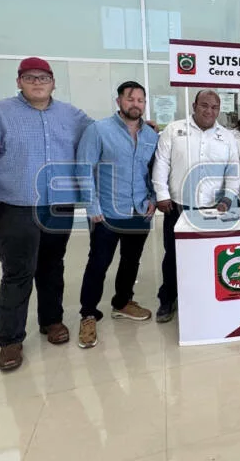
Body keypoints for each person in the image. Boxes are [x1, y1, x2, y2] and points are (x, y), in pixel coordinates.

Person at [0, 57, 92, 371]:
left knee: (52, 266)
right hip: (15, 206)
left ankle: (51, 321)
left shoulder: (71, 115)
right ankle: (10, 340)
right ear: (19, 81)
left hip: (58, 205)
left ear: (53, 83)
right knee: (18, 272)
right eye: (30, 77)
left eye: (43, 77)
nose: (37, 83)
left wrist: (138, 125)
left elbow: (100, 133)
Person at [75, 81, 159, 349]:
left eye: (140, 100)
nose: (136, 104)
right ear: (119, 101)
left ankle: (122, 302)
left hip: (139, 210)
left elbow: (154, 171)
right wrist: (92, 206)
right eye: (130, 99)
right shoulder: (98, 130)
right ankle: (88, 314)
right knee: (98, 264)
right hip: (107, 212)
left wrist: (153, 198)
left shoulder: (151, 135)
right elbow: (83, 169)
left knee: (131, 261)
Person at [151, 89, 240, 322]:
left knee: (208, 255)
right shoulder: (174, 130)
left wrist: (228, 197)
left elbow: (233, 171)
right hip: (178, 207)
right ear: (194, 106)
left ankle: (203, 297)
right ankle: (168, 298)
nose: (209, 111)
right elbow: (161, 163)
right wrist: (162, 194)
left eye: (215, 107)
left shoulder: (227, 136)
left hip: (213, 208)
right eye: (204, 105)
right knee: (173, 254)